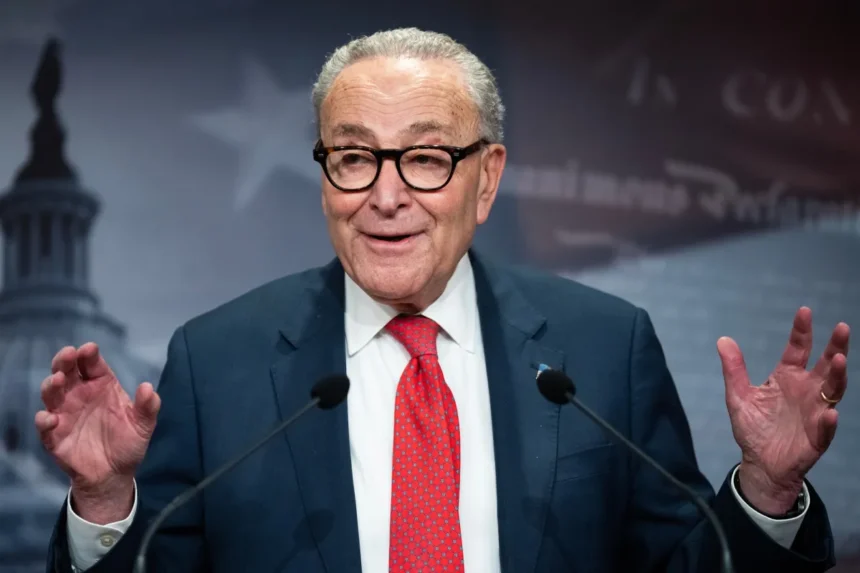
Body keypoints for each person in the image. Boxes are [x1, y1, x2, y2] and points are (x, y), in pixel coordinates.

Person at [38, 28, 849, 573]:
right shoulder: (218, 362)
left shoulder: (602, 348)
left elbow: (693, 562)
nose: (386, 195)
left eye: (426, 158)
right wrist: (106, 504)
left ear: (487, 179)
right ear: (324, 176)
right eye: (353, 157)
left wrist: (767, 491)